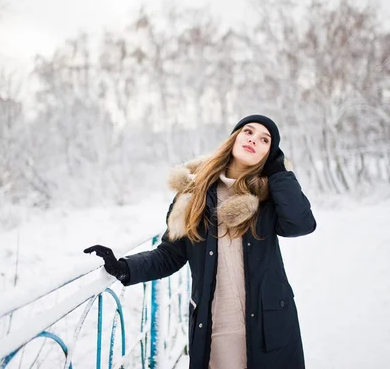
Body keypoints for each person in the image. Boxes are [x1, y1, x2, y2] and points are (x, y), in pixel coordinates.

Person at [84, 114, 316, 369]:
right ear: (234, 137)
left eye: (264, 140)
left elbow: (300, 224)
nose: (253, 140)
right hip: (216, 328)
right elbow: (170, 254)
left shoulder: (269, 195)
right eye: (248, 132)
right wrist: (124, 267)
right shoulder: (194, 195)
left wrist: (280, 173)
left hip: (269, 328)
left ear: (270, 153)